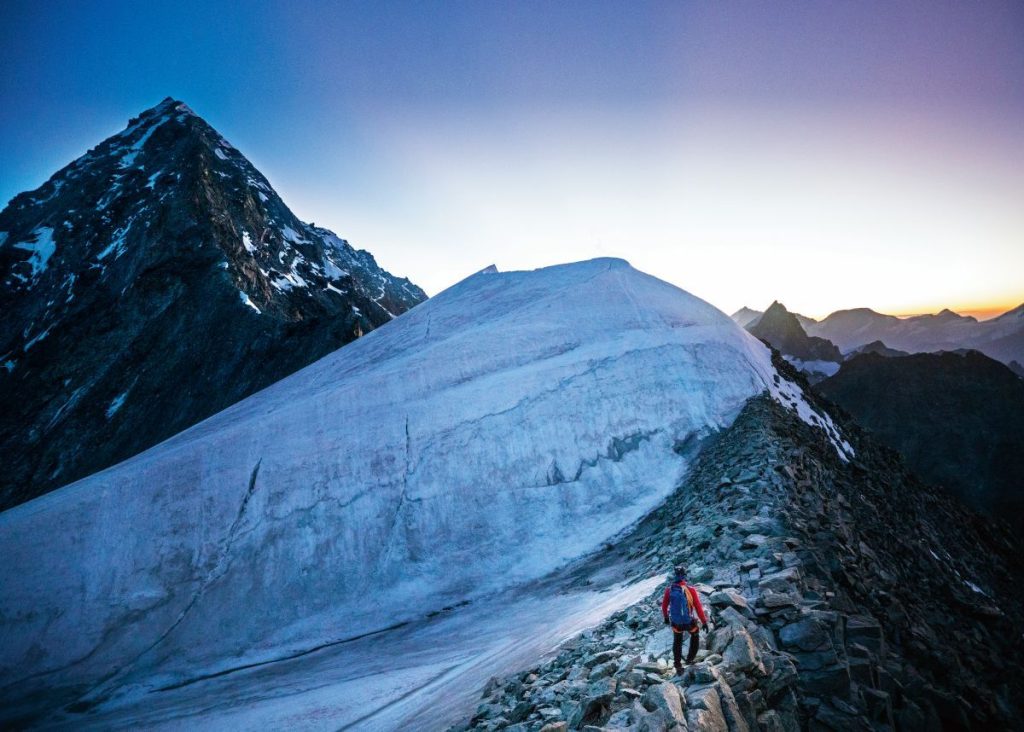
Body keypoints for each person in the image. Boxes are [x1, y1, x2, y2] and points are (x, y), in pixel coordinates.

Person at [661, 564, 709, 673]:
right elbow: (698, 607)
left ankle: (678, 665)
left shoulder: (669, 590)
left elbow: (664, 606)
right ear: (684, 575)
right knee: (695, 635)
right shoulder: (690, 590)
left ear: (675, 576)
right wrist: (704, 622)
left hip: (676, 622)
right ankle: (690, 659)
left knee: (677, 641)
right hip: (689, 622)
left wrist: (666, 618)